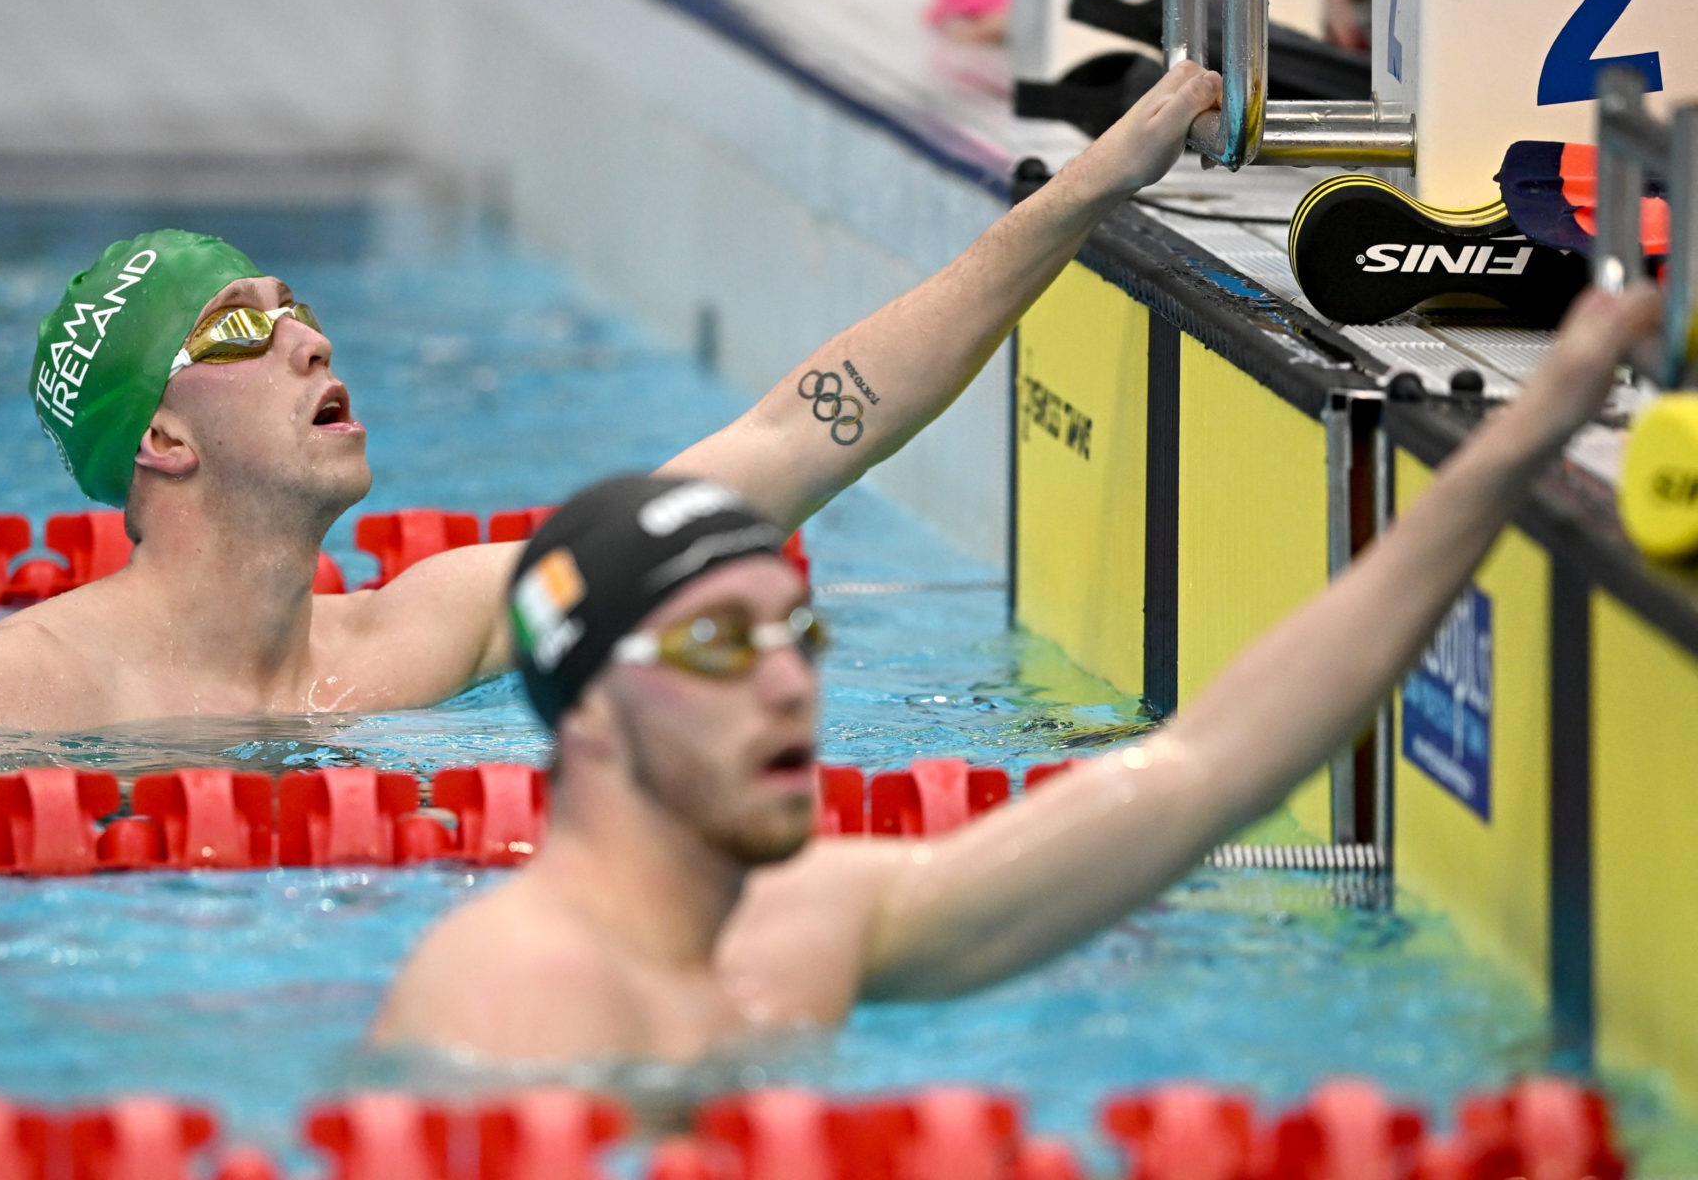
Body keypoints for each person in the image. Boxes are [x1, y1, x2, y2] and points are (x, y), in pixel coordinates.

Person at [370, 282, 1663, 1062]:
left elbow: (1203, 773)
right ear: (584, 715)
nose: (783, 684)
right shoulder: (520, 1000)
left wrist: (1516, 442)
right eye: (718, 646)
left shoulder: (806, 925)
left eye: (795, 634)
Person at [0, 63, 1225, 732]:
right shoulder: (24, 693)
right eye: (249, 326)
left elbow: (787, 441)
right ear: (159, 437)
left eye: (306, 312)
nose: (313, 345)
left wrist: (1082, 196)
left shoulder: (425, 636)